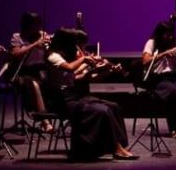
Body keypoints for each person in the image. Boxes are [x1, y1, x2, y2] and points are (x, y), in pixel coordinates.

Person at [45, 28, 137, 160]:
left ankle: (121, 146)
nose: (76, 47)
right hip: (61, 100)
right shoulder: (53, 56)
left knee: (114, 107)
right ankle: (115, 148)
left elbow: (80, 78)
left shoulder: (68, 56)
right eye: (73, 43)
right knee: (102, 110)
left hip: (73, 96)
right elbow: (70, 68)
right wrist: (84, 60)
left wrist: (105, 70)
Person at [141, 20, 176, 140]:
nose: (170, 37)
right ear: (160, 34)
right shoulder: (152, 43)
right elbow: (145, 61)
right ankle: (174, 128)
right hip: (159, 79)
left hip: (174, 76)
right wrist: (164, 54)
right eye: (166, 34)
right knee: (172, 91)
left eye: (171, 34)